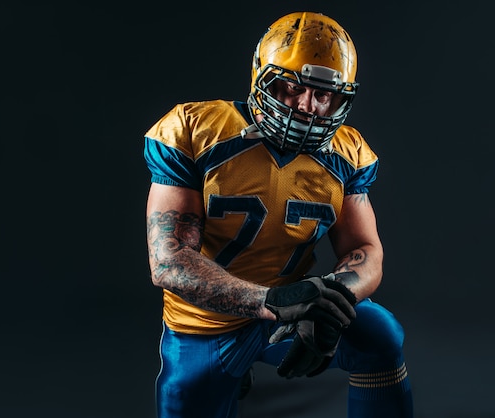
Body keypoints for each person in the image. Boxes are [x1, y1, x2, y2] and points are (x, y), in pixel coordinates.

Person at [143, 11, 414, 418]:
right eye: (291, 86)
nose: (307, 106)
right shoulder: (195, 130)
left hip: (290, 311)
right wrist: (272, 302)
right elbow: (169, 261)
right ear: (261, 77)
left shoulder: (347, 152)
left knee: (381, 337)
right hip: (205, 325)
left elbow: (364, 248)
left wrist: (329, 305)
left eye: (324, 94)